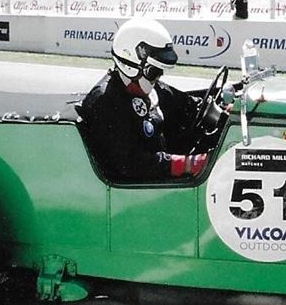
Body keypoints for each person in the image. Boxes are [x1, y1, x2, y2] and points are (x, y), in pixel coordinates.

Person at [78, 18, 207, 182]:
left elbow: (186, 104)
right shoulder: (105, 101)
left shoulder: (150, 87)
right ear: (131, 63)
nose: (159, 76)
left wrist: (222, 106)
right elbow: (129, 163)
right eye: (154, 71)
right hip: (135, 190)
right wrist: (187, 164)